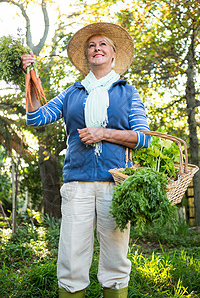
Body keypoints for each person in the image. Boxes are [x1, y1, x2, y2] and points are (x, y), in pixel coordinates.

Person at [21, 22, 151, 298]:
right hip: (77, 183)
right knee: (71, 256)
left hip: (115, 184)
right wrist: (30, 76)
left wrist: (103, 133)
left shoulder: (127, 92)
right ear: (86, 56)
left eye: (103, 44)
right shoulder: (72, 93)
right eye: (91, 45)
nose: (96, 48)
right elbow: (35, 118)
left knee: (116, 257)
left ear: (113, 54)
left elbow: (143, 138)